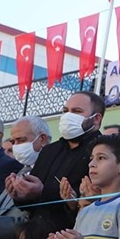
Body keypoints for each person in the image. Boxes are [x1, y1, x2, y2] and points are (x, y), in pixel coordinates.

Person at [7, 91, 104, 231]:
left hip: (72, 238)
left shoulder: (102, 152)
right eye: (65, 111)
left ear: (96, 119)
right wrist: (21, 194)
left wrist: (43, 192)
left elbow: (95, 195)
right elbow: (30, 204)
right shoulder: (49, 151)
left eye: (76, 111)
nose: (68, 116)